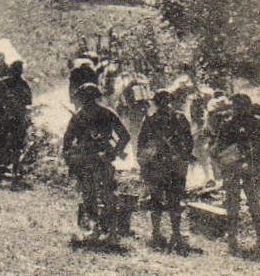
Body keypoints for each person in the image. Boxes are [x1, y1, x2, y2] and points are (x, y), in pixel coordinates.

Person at [60, 83, 130, 243]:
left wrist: (111, 153)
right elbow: (68, 138)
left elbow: (124, 135)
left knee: (104, 195)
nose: (85, 101)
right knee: (91, 195)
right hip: (87, 160)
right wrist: (69, 154)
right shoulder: (81, 115)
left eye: (85, 98)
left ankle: (110, 231)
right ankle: (96, 229)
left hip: (100, 159)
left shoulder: (103, 114)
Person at [212, 93, 260, 255]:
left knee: (242, 202)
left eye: (238, 106)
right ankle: (248, 235)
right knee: (246, 202)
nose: (236, 110)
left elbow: (218, 148)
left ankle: (246, 236)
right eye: (235, 106)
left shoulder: (232, 124)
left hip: (242, 168)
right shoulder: (256, 124)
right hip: (245, 168)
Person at [136, 90, 193, 251]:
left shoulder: (151, 120)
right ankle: (172, 233)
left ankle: (161, 233)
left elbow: (141, 144)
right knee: (172, 199)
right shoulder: (178, 118)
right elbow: (188, 142)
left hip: (160, 165)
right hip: (170, 164)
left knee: (158, 199)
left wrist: (145, 164)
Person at [0, 60, 33, 182]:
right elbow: (28, 102)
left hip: (3, 117)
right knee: (17, 145)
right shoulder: (24, 85)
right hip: (18, 118)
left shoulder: (1, 82)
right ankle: (15, 171)